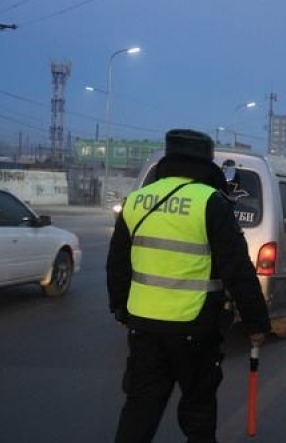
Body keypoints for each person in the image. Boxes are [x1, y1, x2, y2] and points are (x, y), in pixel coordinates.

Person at [106, 128, 271, 443]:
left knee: (140, 407)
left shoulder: (136, 201)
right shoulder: (210, 202)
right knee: (198, 410)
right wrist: (256, 323)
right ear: (206, 164)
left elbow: (117, 265)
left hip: (143, 326)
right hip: (194, 328)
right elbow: (237, 269)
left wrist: (120, 309)